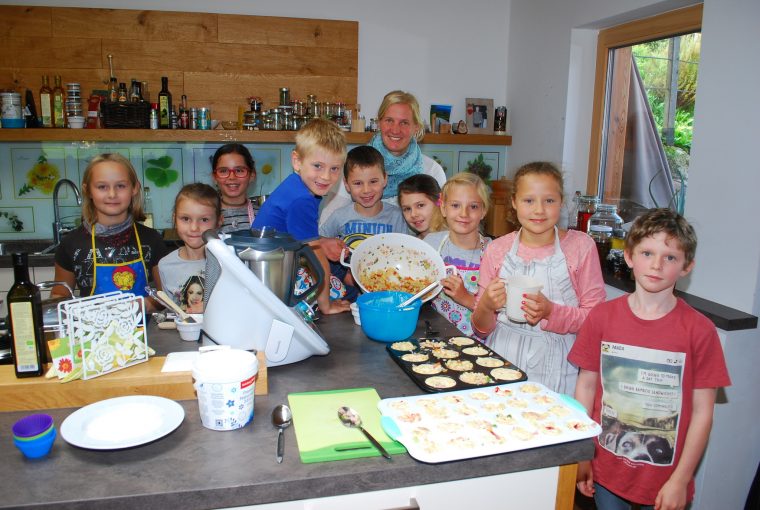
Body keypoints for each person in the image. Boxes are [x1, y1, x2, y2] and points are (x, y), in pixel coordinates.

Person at [569, 208, 731, 510]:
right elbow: (586, 387)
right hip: (606, 471)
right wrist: (583, 453)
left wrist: (681, 480)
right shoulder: (602, 317)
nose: (656, 265)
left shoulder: (699, 330)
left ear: (686, 266)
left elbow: (702, 413)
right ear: (629, 256)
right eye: (647, 253)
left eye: (670, 257)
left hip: (665, 479)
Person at [471, 161, 605, 394]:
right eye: (529, 200)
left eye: (549, 201)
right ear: (514, 202)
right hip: (501, 362)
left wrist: (552, 312)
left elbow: (596, 320)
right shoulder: (497, 249)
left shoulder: (581, 247)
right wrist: (486, 305)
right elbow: (480, 329)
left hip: (559, 368)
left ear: (561, 202)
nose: (539, 210)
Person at [252, 119, 351, 315]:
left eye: (334, 168)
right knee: (337, 287)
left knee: (335, 284)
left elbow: (294, 234)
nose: (326, 177)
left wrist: (320, 241)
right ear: (297, 162)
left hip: (266, 266)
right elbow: (317, 259)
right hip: (268, 278)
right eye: (318, 166)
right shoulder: (302, 200)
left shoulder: (296, 183)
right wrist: (326, 306)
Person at [52, 153, 167, 306]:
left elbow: (165, 297)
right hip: (91, 329)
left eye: (120, 186)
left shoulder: (152, 240)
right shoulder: (71, 244)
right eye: (102, 187)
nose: (112, 194)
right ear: (87, 191)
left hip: (143, 329)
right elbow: (60, 294)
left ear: (134, 188)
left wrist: (137, 307)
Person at [319, 90, 446, 223]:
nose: (395, 130)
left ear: (416, 127)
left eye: (404, 122)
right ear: (379, 123)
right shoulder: (353, 165)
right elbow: (327, 221)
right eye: (389, 120)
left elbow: (441, 223)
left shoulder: (432, 171)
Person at [319, 145, 408, 301]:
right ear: (346, 184)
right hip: (346, 293)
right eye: (358, 183)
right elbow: (318, 245)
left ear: (385, 179)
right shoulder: (339, 216)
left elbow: (404, 257)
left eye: (373, 181)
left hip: (385, 293)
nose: (366, 190)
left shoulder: (397, 216)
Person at [423, 172, 490, 336]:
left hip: (479, 343)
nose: (464, 214)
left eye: (473, 206)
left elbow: (497, 312)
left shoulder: (493, 251)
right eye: (455, 205)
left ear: (483, 211)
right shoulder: (431, 244)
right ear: (443, 208)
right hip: (437, 337)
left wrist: (465, 297)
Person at [158, 183, 222, 312]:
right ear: (174, 219)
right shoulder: (165, 265)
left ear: (219, 221)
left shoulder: (227, 263)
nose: (194, 228)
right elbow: (171, 314)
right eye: (185, 219)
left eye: (204, 220)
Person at [211, 143, 256, 233]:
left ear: (252, 175)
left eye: (239, 170)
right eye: (223, 171)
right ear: (214, 177)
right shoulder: (206, 215)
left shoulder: (263, 214)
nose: (232, 177)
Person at [397, 174, 446, 238]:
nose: (413, 214)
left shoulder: (454, 240)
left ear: (439, 202)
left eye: (420, 205)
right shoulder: (410, 244)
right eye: (407, 209)